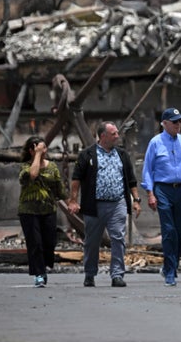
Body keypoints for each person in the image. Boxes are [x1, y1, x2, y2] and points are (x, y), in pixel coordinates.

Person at [67, 121, 142, 288]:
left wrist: (136, 200)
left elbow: (131, 180)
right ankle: (90, 274)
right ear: (103, 136)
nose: (117, 136)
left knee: (118, 238)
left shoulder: (122, 155)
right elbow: (76, 179)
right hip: (94, 206)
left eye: (117, 133)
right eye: (114, 133)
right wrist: (73, 200)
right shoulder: (87, 154)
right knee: (92, 241)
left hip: (117, 204)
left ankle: (117, 275)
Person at [141, 107, 181, 286]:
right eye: (175, 122)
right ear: (165, 123)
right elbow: (148, 169)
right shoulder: (155, 143)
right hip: (163, 189)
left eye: (180, 121)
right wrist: (150, 193)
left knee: (179, 231)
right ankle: (169, 271)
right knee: (168, 230)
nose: (178, 125)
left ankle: (172, 264)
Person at [18, 136, 67, 288]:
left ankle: (43, 268)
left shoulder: (52, 167)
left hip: (48, 210)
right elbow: (32, 175)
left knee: (49, 243)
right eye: (40, 148)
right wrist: (37, 156)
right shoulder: (25, 166)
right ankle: (39, 274)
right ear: (31, 151)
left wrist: (70, 202)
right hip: (29, 211)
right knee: (35, 243)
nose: (44, 150)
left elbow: (59, 189)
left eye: (44, 148)